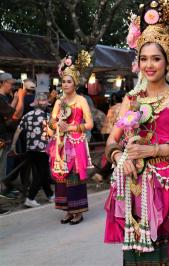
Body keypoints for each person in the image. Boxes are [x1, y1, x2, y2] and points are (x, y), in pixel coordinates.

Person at [104, 1, 169, 264]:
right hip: (133, 185)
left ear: (167, 61)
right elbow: (111, 142)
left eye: (156, 58)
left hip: (166, 182)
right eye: (144, 58)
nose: (149, 65)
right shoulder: (131, 98)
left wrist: (156, 150)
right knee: (136, 251)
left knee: (164, 250)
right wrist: (118, 160)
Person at [47, 51, 94, 224]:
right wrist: (56, 125)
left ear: (75, 83)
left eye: (69, 81)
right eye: (63, 81)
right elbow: (52, 120)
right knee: (62, 178)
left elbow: (90, 124)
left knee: (74, 176)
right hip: (61, 143)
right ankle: (67, 209)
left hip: (76, 142)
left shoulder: (81, 100)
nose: (65, 84)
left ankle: (78, 211)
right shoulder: (59, 101)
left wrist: (72, 127)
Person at [10, 92, 54, 207]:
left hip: (30, 149)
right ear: (43, 104)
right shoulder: (47, 116)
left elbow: (18, 131)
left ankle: (50, 195)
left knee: (41, 173)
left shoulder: (27, 115)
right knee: (41, 174)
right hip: (43, 150)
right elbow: (53, 134)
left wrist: (13, 145)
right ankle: (30, 198)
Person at [0, 73, 24, 214]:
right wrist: (19, 98)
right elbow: (12, 114)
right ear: (3, 83)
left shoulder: (5, 98)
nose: (12, 86)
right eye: (10, 83)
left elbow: (11, 112)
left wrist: (15, 99)